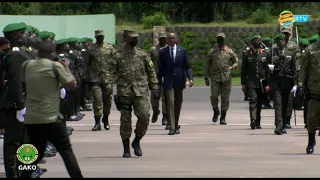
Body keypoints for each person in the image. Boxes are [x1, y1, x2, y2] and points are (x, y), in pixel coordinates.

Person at [20, 40, 83, 178]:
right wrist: (66, 68)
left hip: (32, 118)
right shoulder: (56, 66)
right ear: (53, 53)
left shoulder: (26, 65)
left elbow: (22, 83)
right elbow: (72, 85)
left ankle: (24, 176)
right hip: (51, 118)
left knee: (35, 152)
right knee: (66, 151)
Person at [107, 29, 159, 158]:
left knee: (144, 116)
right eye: (133, 37)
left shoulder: (143, 55)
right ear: (125, 38)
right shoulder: (117, 56)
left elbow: (151, 71)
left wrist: (155, 87)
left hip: (140, 91)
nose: (136, 39)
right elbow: (110, 73)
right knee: (125, 121)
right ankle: (126, 148)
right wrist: (108, 87)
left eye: (136, 37)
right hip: (124, 93)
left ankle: (137, 140)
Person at [0, 22, 29, 178]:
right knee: (14, 142)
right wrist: (20, 105)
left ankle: (22, 172)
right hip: (15, 104)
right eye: (22, 33)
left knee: (23, 141)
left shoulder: (16, 53)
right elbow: (16, 82)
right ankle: (13, 174)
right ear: (13, 36)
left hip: (19, 102)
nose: (24, 35)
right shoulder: (15, 55)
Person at [158, 32, 194, 135]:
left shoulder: (182, 51)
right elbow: (160, 68)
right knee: (170, 102)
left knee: (178, 104)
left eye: (173, 38)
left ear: (176, 39)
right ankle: (172, 128)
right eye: (170, 38)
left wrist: (190, 78)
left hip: (179, 81)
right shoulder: (163, 52)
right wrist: (158, 81)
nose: (171, 40)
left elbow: (187, 66)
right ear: (167, 40)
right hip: (168, 82)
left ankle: (176, 124)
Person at [204, 32, 238, 125]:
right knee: (214, 96)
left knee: (225, 98)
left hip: (226, 77)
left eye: (221, 39)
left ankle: (223, 117)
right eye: (218, 39)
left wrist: (232, 67)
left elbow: (236, 61)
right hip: (215, 77)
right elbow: (207, 64)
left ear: (224, 40)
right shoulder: (212, 52)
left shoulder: (229, 51)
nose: (220, 40)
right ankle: (215, 110)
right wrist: (206, 77)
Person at [87, 30, 116, 131]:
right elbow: (87, 63)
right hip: (95, 78)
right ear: (96, 37)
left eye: (101, 36)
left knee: (107, 101)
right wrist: (86, 78)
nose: (100, 38)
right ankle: (97, 122)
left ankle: (106, 118)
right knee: (97, 100)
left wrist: (114, 74)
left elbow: (115, 62)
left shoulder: (110, 48)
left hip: (108, 78)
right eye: (98, 36)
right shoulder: (91, 48)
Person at [241, 35, 270, 129]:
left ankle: (258, 121)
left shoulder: (265, 54)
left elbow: (268, 70)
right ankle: (253, 120)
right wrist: (243, 84)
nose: (257, 42)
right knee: (253, 101)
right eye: (255, 41)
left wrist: (268, 83)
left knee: (259, 102)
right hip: (251, 82)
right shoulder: (246, 54)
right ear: (252, 43)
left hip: (262, 82)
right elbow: (243, 70)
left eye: (258, 40)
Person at [269, 33, 296, 135]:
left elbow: (293, 69)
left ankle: (284, 124)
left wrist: (295, 83)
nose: (282, 42)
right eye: (279, 41)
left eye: (283, 40)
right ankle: (279, 126)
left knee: (286, 105)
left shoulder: (290, 53)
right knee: (278, 104)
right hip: (276, 82)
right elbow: (267, 68)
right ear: (276, 42)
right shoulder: (272, 53)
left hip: (287, 83)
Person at [299, 27, 320, 154]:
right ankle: (311, 141)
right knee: (311, 117)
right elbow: (303, 68)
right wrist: (301, 84)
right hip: (314, 90)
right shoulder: (311, 49)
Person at [281, 28, 300, 129]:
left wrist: (296, 71)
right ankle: (281, 120)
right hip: (280, 76)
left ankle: (287, 120)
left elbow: (298, 59)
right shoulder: (277, 45)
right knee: (280, 101)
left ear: (290, 35)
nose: (285, 36)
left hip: (290, 74)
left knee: (289, 100)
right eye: (284, 34)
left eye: (287, 34)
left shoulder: (294, 46)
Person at [149, 31, 168, 126]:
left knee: (166, 98)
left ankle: (165, 116)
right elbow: (149, 63)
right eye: (161, 38)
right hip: (155, 78)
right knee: (154, 98)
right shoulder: (153, 50)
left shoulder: (169, 49)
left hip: (166, 77)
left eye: (164, 38)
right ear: (158, 39)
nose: (162, 40)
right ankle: (156, 111)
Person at [67, 37, 85, 121]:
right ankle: (72, 113)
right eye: (75, 43)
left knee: (77, 95)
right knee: (72, 97)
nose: (78, 44)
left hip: (78, 75)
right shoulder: (71, 54)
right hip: (73, 75)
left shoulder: (76, 52)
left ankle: (75, 111)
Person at [78, 38, 92, 112]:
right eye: (88, 43)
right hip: (84, 72)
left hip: (87, 71)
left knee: (85, 88)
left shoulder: (87, 50)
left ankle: (84, 102)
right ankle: (83, 103)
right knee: (83, 89)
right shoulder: (84, 51)